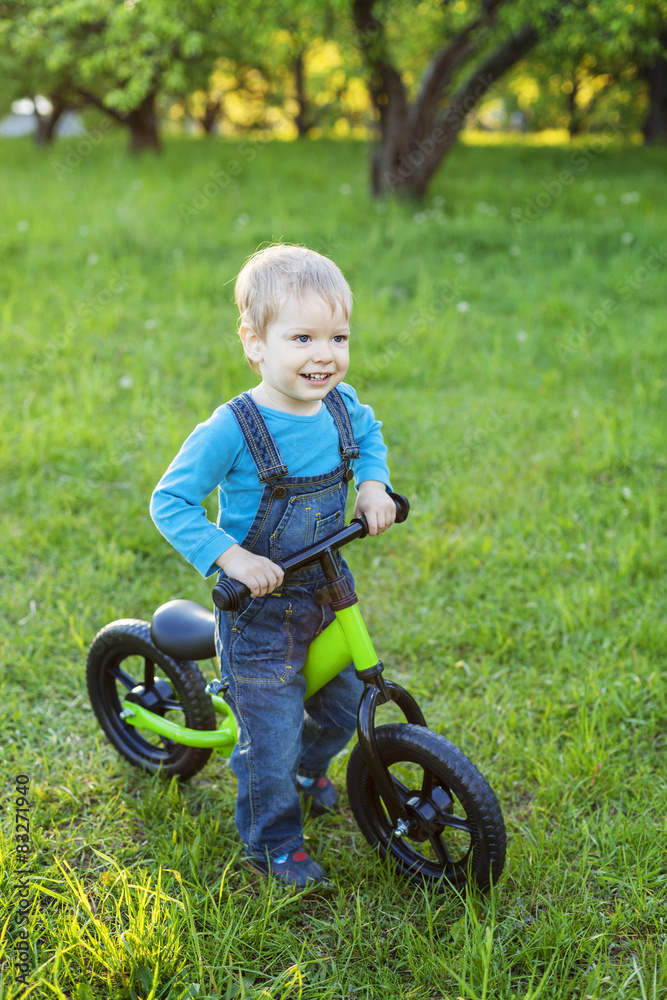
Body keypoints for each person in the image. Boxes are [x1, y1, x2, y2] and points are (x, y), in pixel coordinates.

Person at [150, 243, 395, 887]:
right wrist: (232, 557)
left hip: (324, 592)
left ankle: (310, 771)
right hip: (258, 612)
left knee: (344, 707)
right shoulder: (233, 428)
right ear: (255, 343)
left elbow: (369, 440)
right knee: (269, 738)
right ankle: (272, 841)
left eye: (339, 337)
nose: (326, 355)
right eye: (304, 337)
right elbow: (170, 501)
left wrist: (372, 486)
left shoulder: (341, 407)